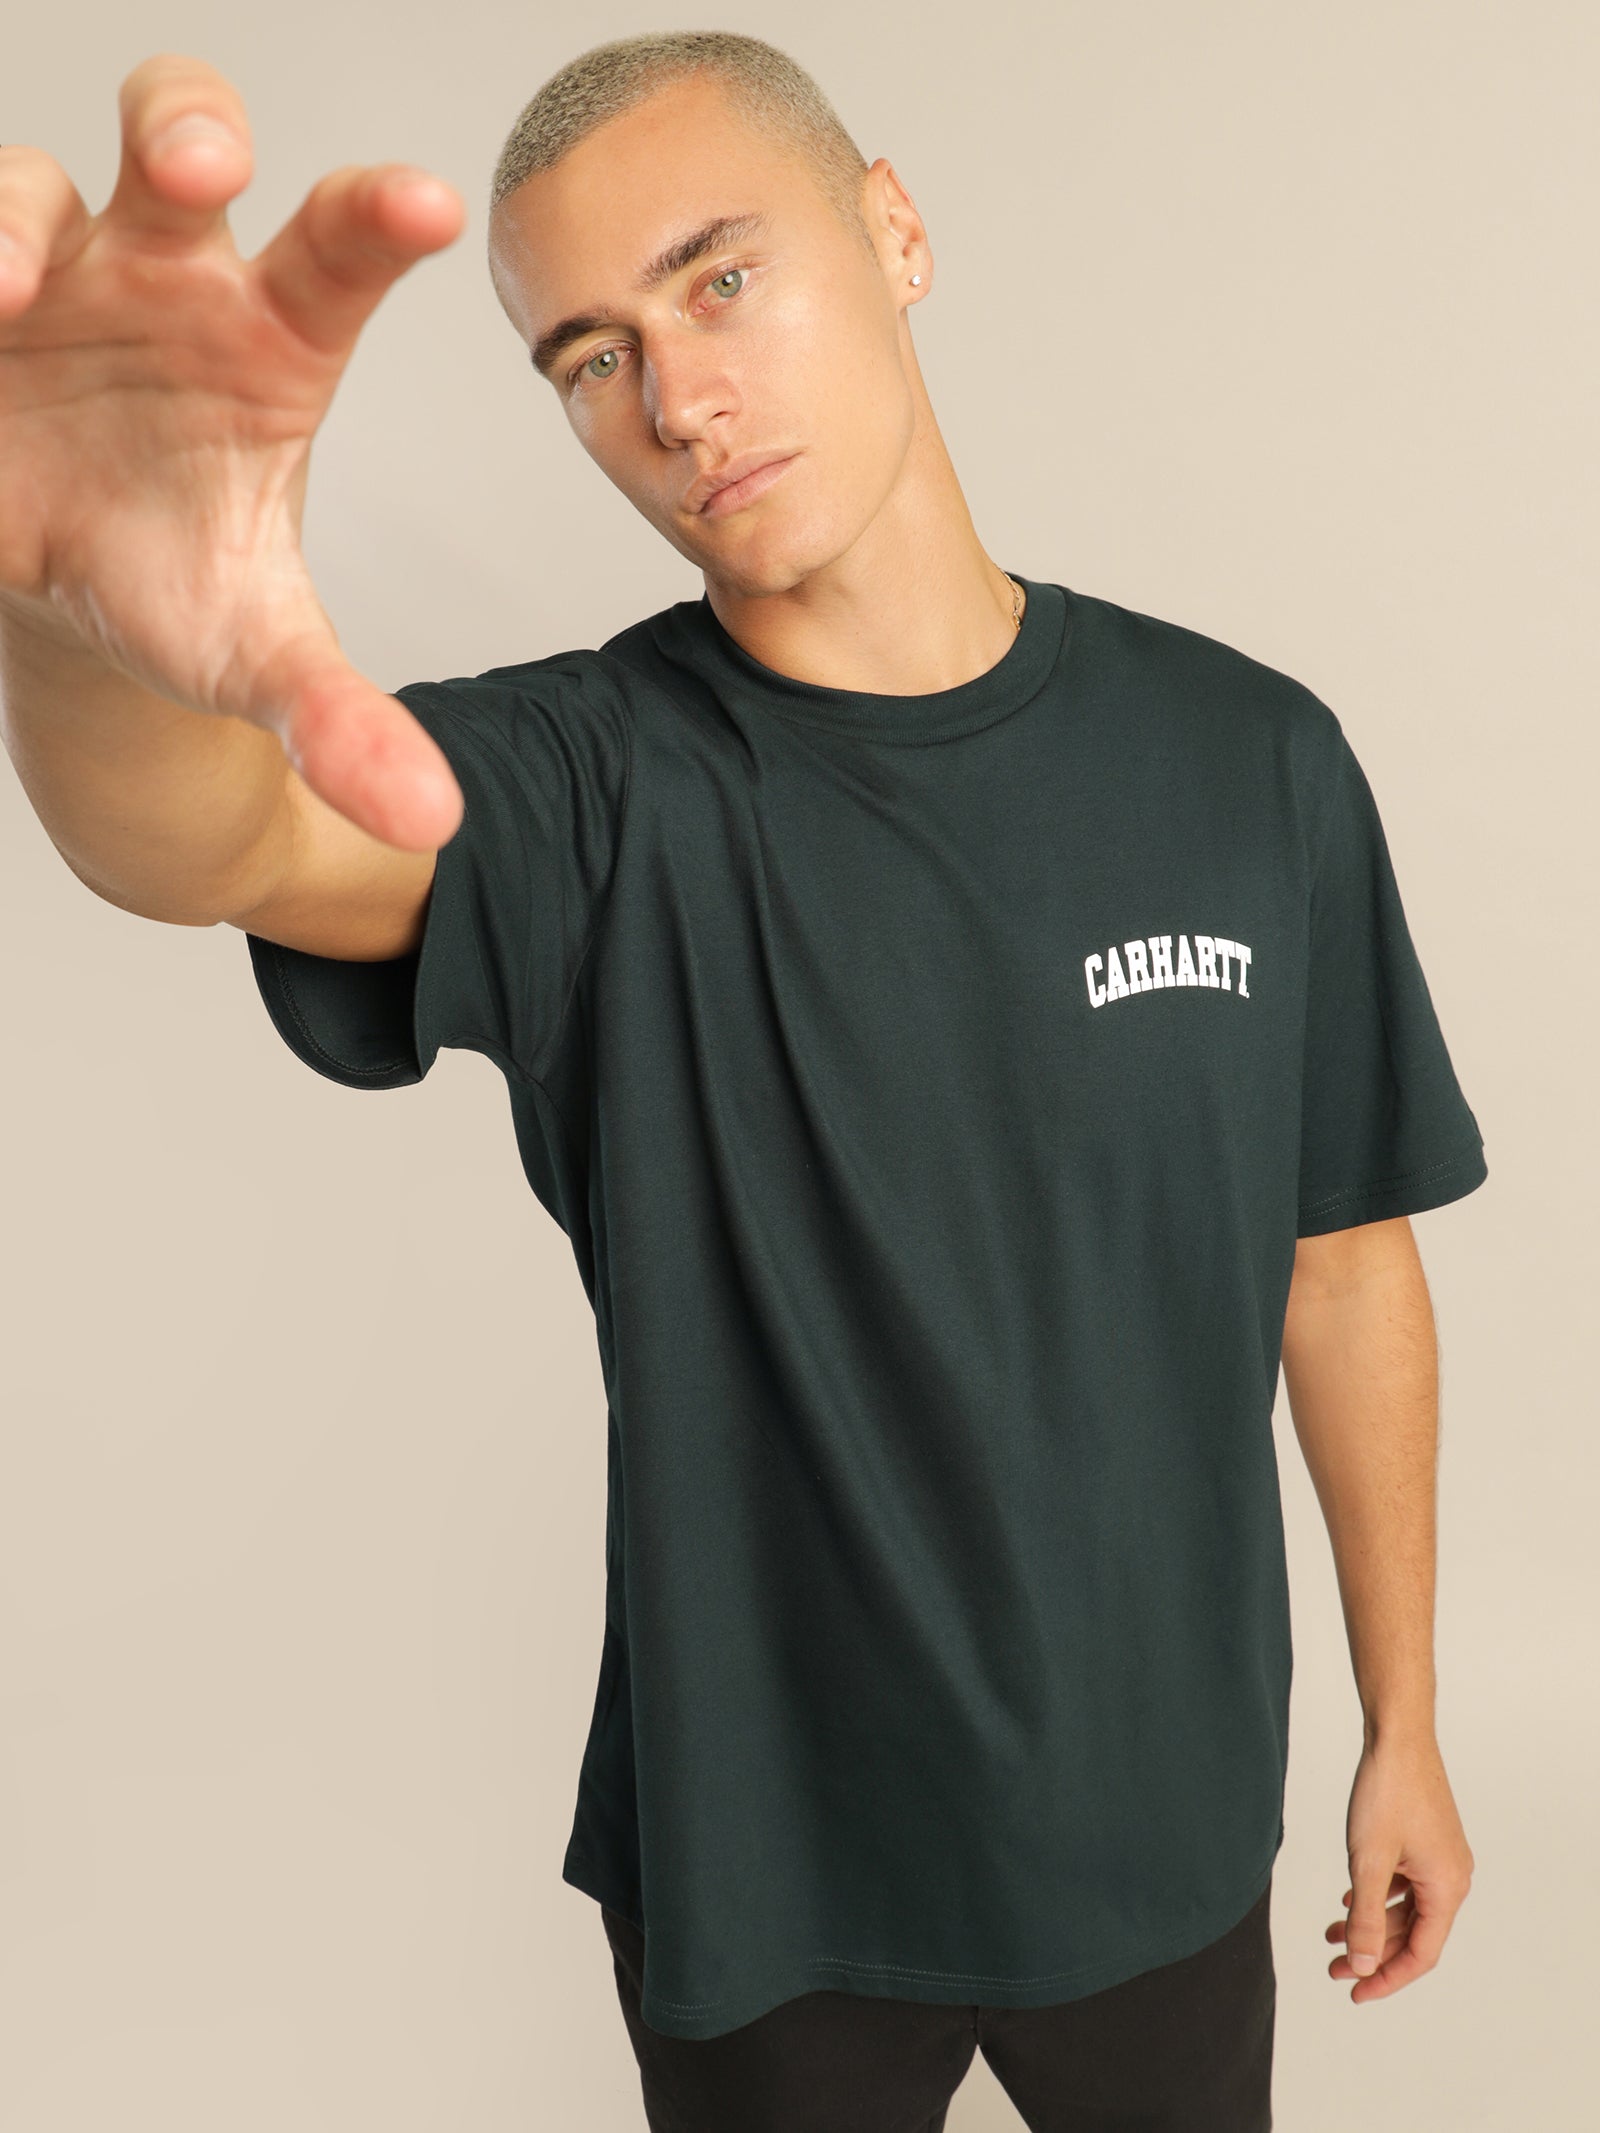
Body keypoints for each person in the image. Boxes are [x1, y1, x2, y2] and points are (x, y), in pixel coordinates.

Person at [0, 29, 1487, 2133]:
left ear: (893, 230)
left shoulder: (1251, 757)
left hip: (1164, 1824)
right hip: (766, 1868)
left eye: (720, 277)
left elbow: (1339, 1260)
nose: (678, 399)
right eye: (592, 357)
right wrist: (72, 623)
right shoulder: (591, 788)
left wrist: (1403, 1718)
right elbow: (226, 837)